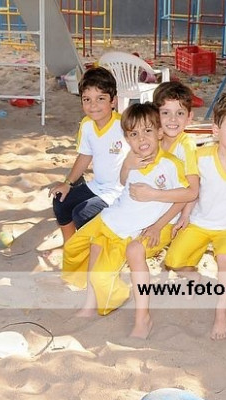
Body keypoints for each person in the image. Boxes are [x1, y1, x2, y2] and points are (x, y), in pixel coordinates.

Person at [61, 103, 189, 336]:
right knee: (79, 249)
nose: (142, 139)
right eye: (134, 134)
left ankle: (143, 318)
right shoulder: (131, 158)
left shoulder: (171, 164)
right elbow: (122, 182)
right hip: (116, 217)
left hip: (144, 227)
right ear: (127, 138)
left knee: (128, 255)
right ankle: (90, 303)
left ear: (159, 133)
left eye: (147, 131)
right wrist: (128, 165)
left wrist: (157, 225)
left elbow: (184, 196)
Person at [164, 93, 226, 340]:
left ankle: (221, 311)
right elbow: (194, 191)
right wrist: (185, 216)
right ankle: (193, 275)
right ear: (216, 130)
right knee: (173, 260)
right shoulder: (201, 157)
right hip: (199, 222)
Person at [49, 67, 129, 243]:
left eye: (100, 99)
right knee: (60, 201)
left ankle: (92, 250)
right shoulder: (86, 125)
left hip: (121, 191)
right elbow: (85, 156)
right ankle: (70, 248)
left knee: (82, 214)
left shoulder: (125, 125)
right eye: (87, 99)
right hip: (98, 185)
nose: (93, 105)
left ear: (113, 101)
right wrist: (67, 183)